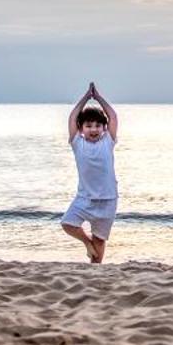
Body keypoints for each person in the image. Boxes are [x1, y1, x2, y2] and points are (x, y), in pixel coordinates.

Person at [61, 82, 120, 264]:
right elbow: (72, 118)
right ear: (81, 129)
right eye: (88, 126)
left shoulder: (107, 141)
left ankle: (95, 268)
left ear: (103, 129)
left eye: (97, 126)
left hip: (108, 199)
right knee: (68, 223)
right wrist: (86, 97)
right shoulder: (78, 143)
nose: (93, 129)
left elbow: (112, 116)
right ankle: (87, 243)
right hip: (84, 198)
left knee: (100, 239)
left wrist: (99, 97)